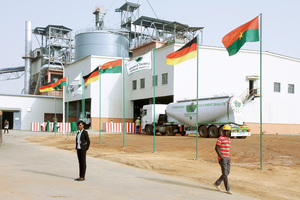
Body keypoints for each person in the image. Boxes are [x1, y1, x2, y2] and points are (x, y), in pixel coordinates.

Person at [214, 124, 232, 194]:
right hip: (222, 158)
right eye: (225, 131)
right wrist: (221, 157)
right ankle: (228, 189)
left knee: (227, 172)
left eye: (227, 131)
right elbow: (216, 148)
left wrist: (227, 157)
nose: (226, 132)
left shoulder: (229, 139)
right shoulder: (220, 138)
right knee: (225, 173)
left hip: (228, 158)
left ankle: (217, 183)